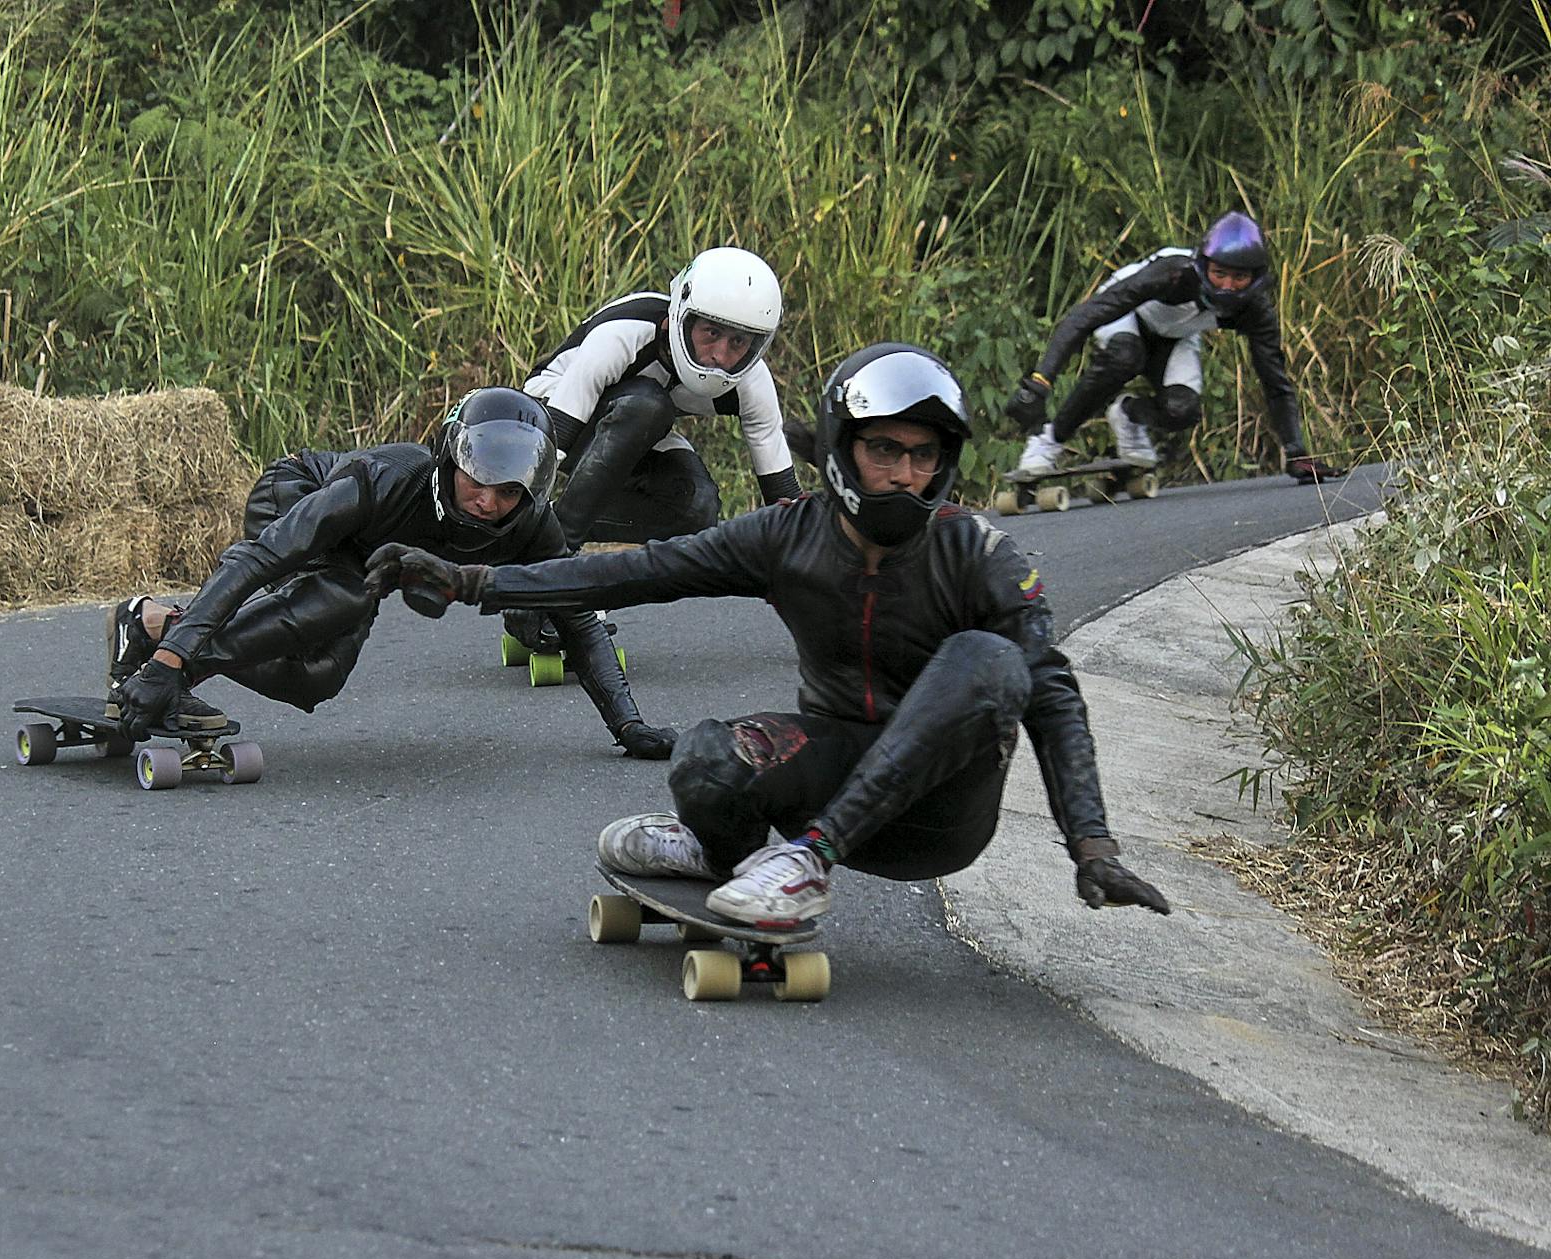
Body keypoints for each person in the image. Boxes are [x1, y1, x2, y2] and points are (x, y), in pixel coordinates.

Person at [364, 344, 1169, 924]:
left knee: (990, 659)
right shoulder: (790, 535)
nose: (904, 473)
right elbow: (637, 573)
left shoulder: (978, 552)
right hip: (833, 762)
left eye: (924, 456)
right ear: (846, 451)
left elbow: (1053, 693)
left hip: (938, 811)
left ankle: (805, 863)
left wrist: (1090, 843)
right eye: (884, 449)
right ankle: (720, 850)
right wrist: (473, 580)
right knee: (708, 759)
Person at [108, 387, 677, 761]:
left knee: (317, 679)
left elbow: (579, 615)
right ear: (449, 459)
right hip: (297, 495)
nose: (485, 501)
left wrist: (627, 725)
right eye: (475, 479)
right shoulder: (384, 478)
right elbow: (256, 559)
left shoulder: (532, 525)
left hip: (362, 561)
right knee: (348, 594)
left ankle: (150, 626)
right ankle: (168, 662)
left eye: (507, 491)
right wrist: (171, 665)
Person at [507, 245, 798, 650]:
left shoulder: (750, 383)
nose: (719, 356)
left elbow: (784, 500)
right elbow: (553, 440)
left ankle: (554, 543)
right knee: (649, 406)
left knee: (696, 507)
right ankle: (557, 571)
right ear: (680, 316)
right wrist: (530, 564)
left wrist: (817, 593)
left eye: (739, 343)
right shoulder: (625, 334)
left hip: (634, 432)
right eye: (710, 333)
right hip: (552, 410)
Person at [1005, 211, 1343, 485]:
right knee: (1125, 356)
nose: (1226, 286)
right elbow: (1083, 318)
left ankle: (1128, 416)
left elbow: (1275, 381)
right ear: (1202, 266)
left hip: (1176, 337)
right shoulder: (1172, 274)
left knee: (1183, 410)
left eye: (1238, 277)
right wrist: (1040, 381)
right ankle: (1049, 441)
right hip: (1129, 319)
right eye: (1219, 273)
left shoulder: (1256, 310)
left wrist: (1296, 452)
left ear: (1256, 278)